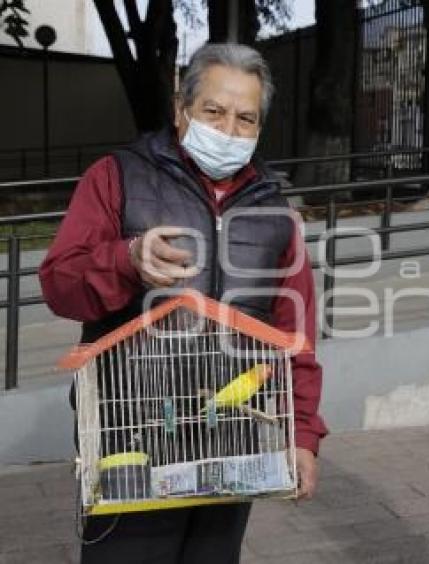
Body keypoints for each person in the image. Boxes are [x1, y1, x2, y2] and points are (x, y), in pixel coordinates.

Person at [39, 43, 327, 563]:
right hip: (131, 439)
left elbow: (297, 336)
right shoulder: (116, 177)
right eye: (214, 112)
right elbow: (60, 284)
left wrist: (302, 434)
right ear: (180, 110)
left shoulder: (277, 211)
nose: (229, 130)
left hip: (232, 440)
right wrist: (126, 260)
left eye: (246, 118)